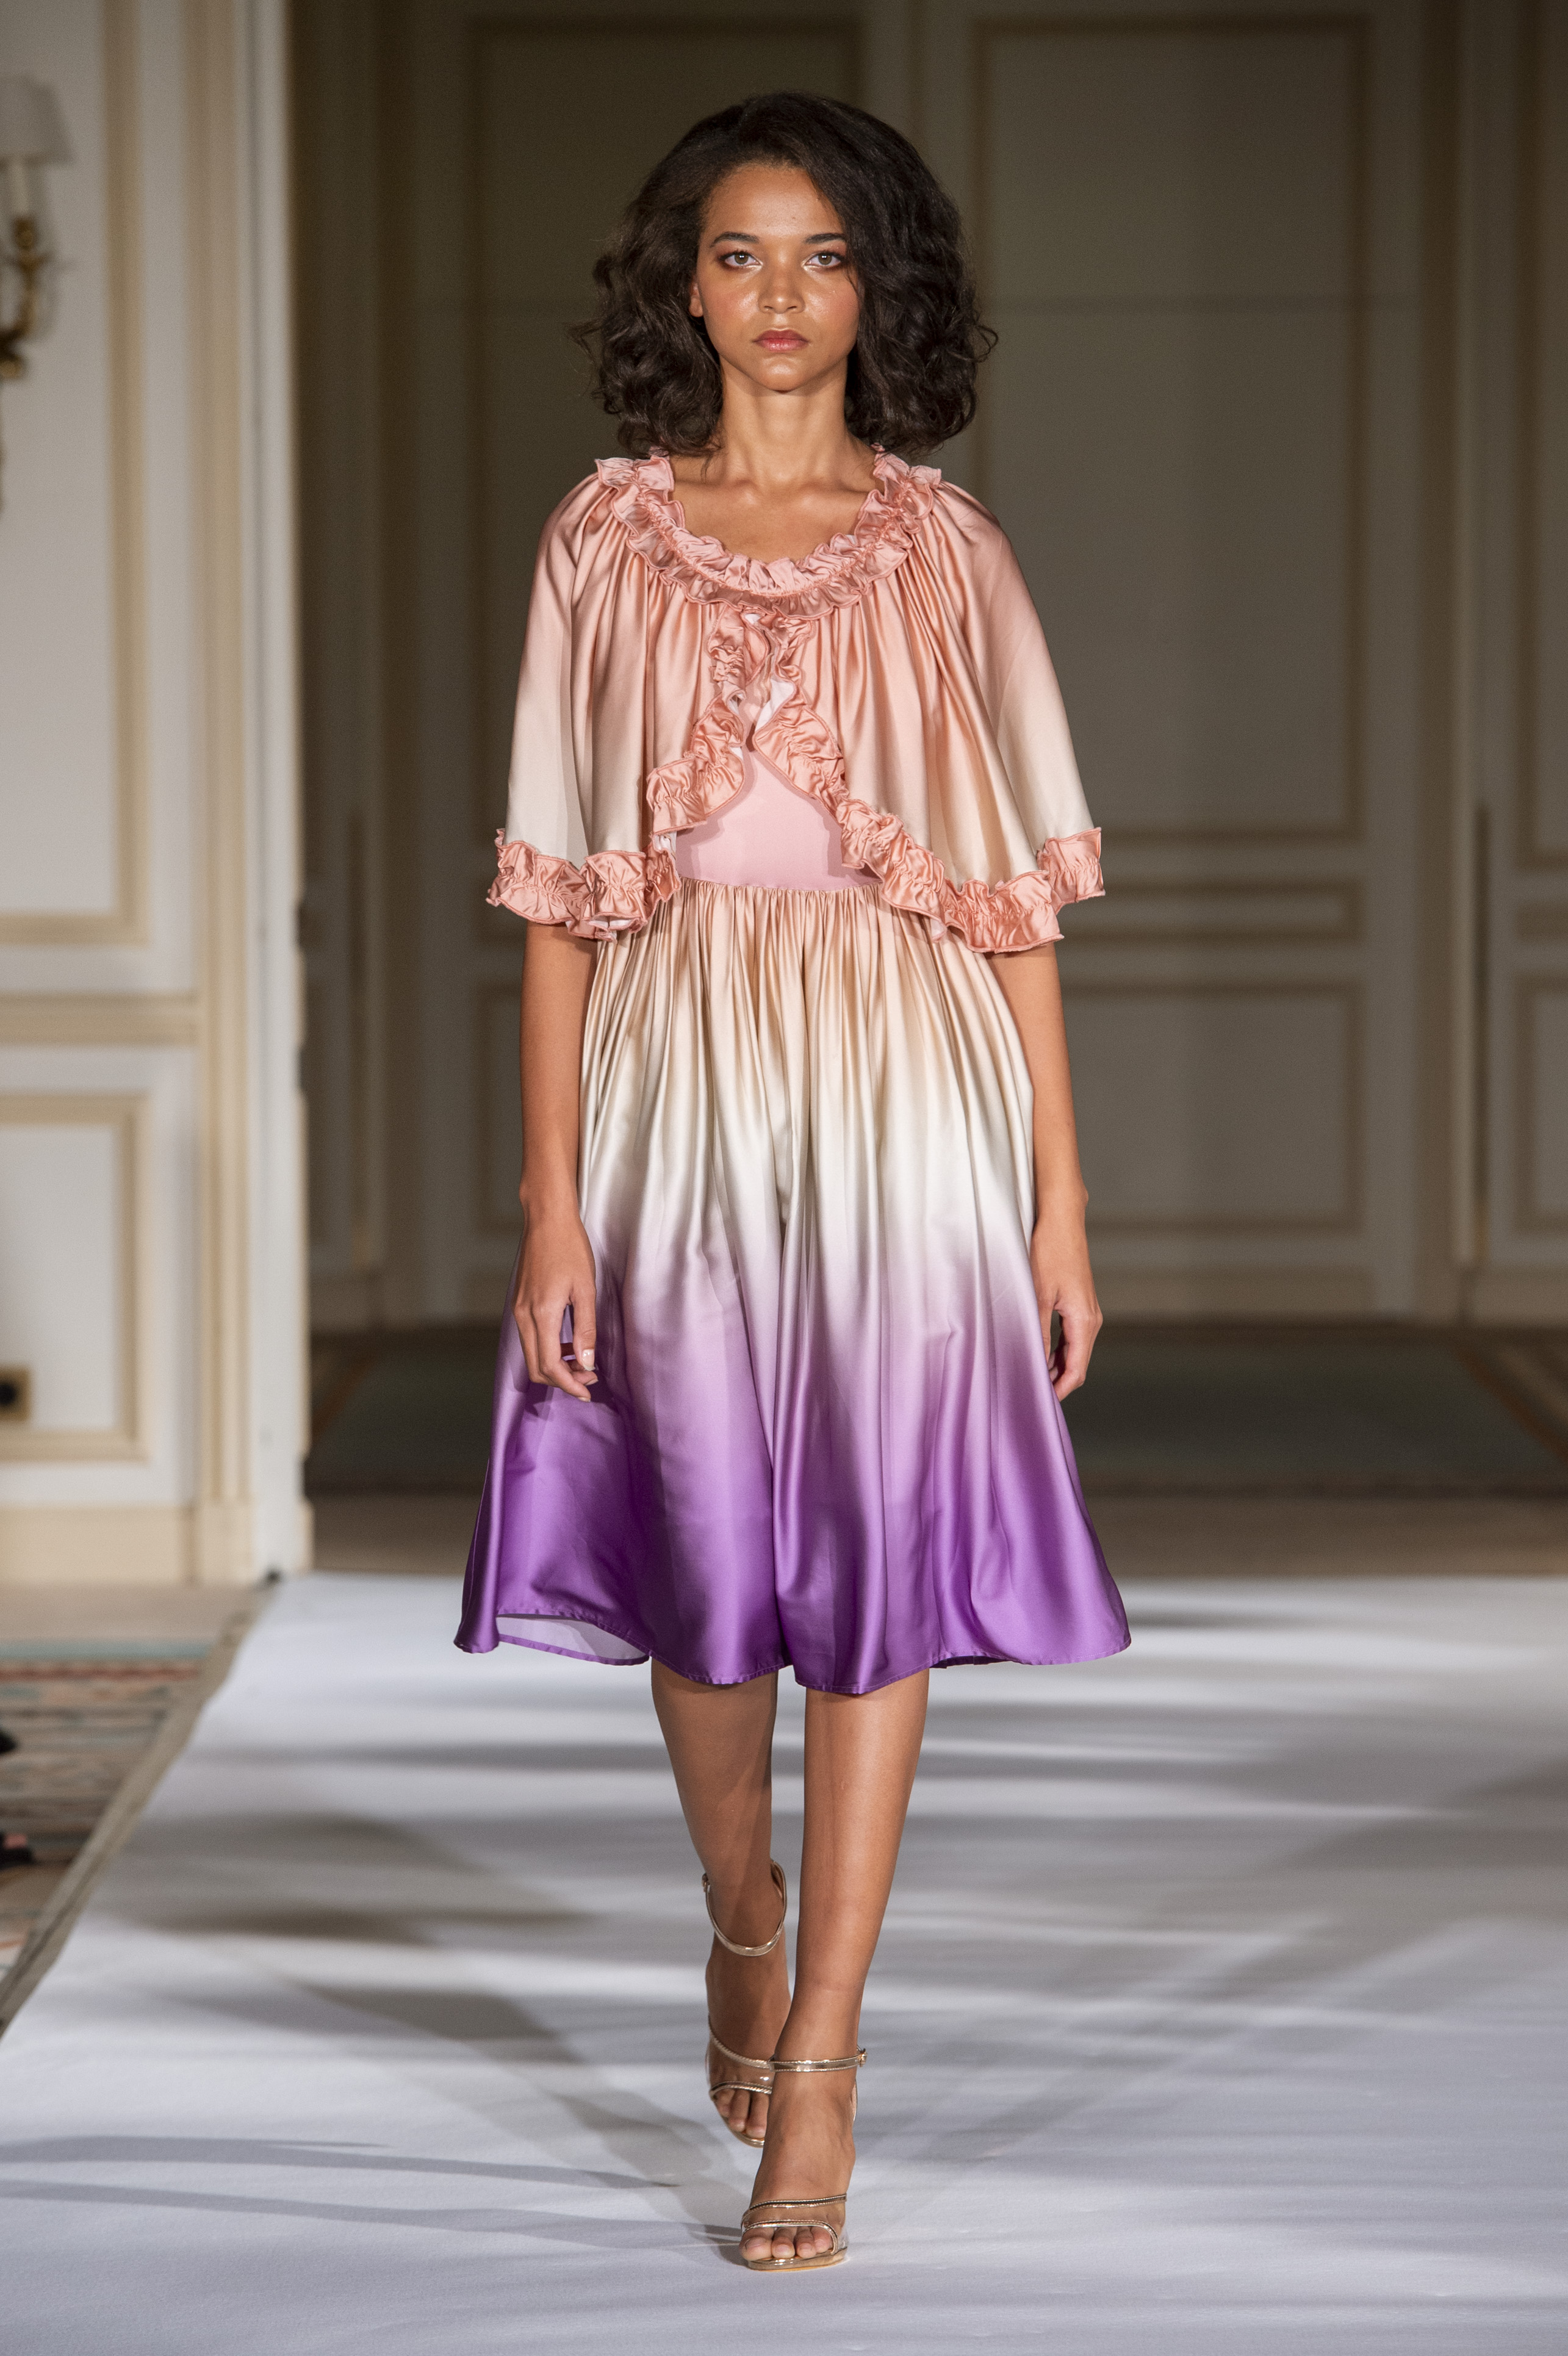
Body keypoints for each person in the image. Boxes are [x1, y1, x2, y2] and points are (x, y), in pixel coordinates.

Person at [457, 91, 1128, 2272]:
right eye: (739, 254)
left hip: (906, 1081)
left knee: (875, 1556)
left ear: (877, 287)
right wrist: (549, 1203)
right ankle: (737, 1908)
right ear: (682, 283)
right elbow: (559, 902)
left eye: (822, 255)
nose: (778, 297)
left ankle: (824, 2052)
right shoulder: (600, 538)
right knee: (700, 1560)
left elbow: (1009, 907)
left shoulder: (947, 553)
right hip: (670, 1078)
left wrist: (1058, 1200)